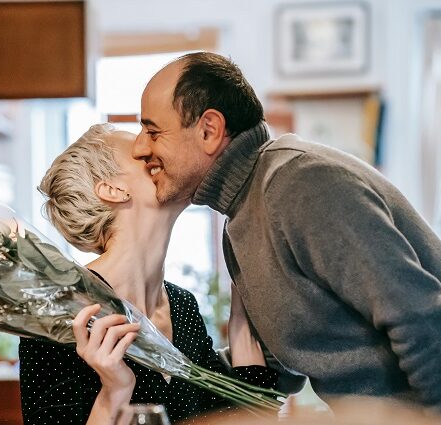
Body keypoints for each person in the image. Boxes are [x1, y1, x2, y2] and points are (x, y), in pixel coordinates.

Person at [132, 51, 441, 424]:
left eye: (152, 131)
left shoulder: (299, 184)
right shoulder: (240, 220)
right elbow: (291, 359)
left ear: (209, 130)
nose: (140, 147)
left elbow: (426, 323)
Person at [18, 124, 279, 425]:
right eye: (140, 155)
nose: (152, 152)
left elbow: (235, 418)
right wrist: (114, 392)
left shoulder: (183, 307)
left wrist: (243, 332)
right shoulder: (58, 309)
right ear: (113, 189)